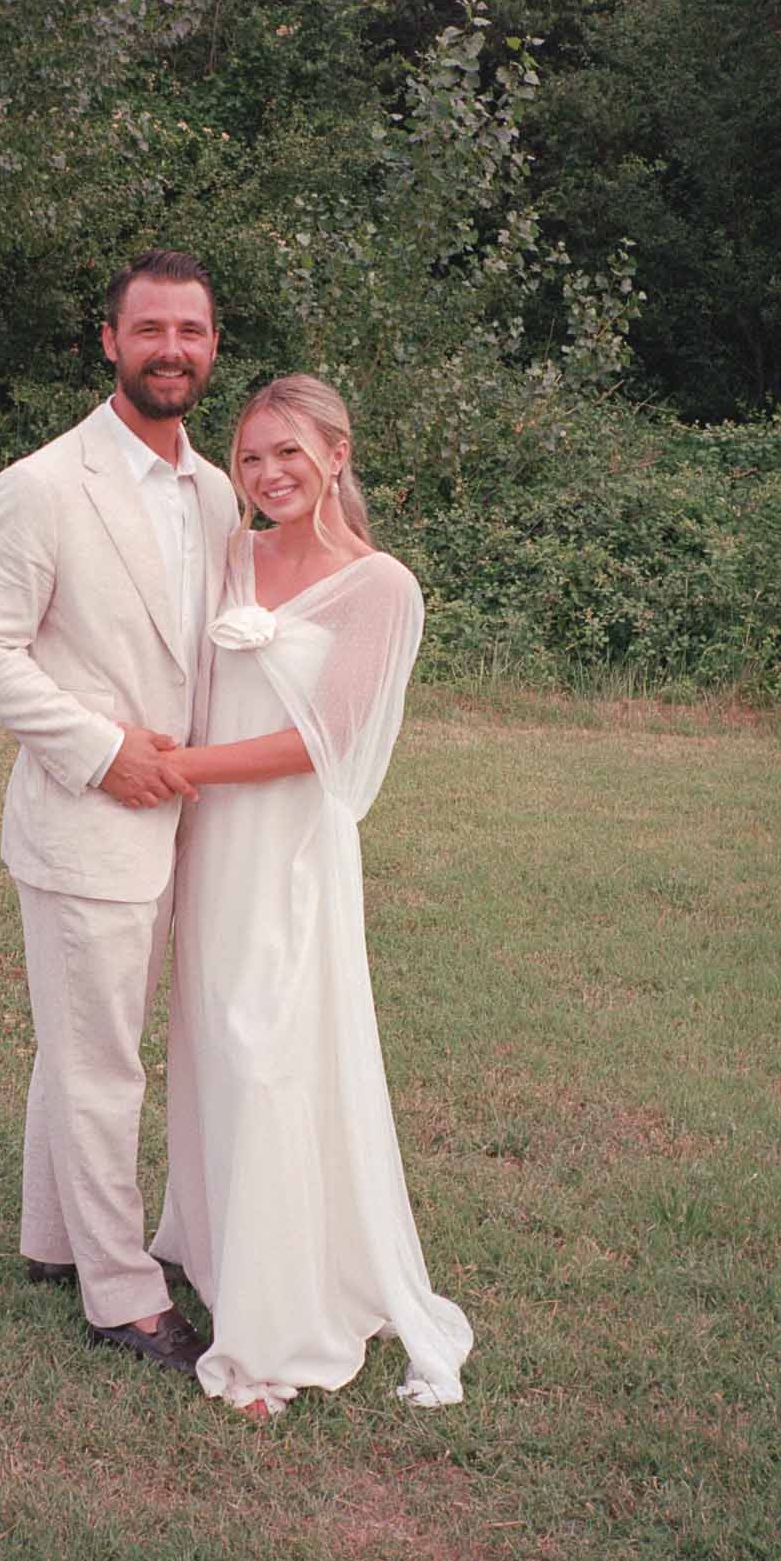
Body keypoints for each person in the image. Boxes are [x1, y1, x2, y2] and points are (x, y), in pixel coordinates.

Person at [150, 374, 474, 1417]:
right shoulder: (231, 557)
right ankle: (218, 1252)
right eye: (249, 458)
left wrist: (185, 767)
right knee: (212, 1049)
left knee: (271, 1055)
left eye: (289, 451)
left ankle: (275, 1326)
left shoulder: (381, 585)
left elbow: (322, 742)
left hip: (289, 854)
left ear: (338, 452)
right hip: (209, 851)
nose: (268, 473)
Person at [0, 250, 238, 1375]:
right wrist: (103, 749)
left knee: (81, 1041)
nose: (173, 348)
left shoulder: (216, 491)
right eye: (151, 328)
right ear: (108, 341)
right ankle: (123, 1296)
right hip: (85, 815)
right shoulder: (43, 482)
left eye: (193, 331)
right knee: (99, 1060)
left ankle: (51, 1237)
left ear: (213, 348)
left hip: (184, 821)